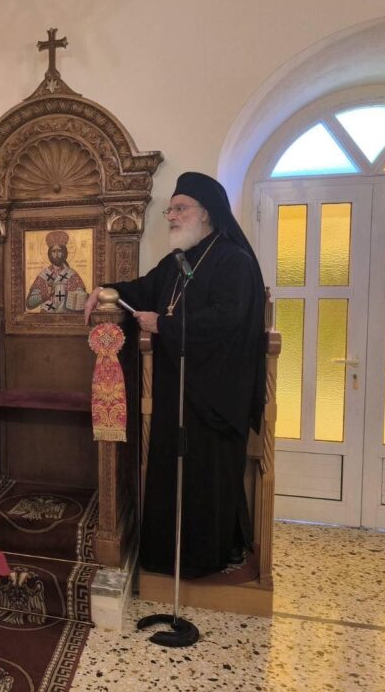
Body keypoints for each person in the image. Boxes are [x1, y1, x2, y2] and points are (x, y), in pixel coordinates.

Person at [84, 171, 266, 578]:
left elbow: (227, 320)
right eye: (170, 210)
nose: (172, 217)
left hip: (214, 395)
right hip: (176, 389)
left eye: (180, 209)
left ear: (207, 213)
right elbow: (144, 288)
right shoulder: (180, 260)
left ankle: (205, 560)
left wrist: (164, 325)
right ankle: (168, 559)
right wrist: (105, 290)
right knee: (171, 476)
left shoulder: (233, 261)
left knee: (205, 479)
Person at [26, 229, 88, 312]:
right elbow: (30, 303)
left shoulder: (72, 275)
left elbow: (82, 299)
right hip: (46, 316)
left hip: (67, 316)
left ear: (64, 253)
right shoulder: (43, 275)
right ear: (50, 254)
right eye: (54, 251)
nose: (56, 254)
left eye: (59, 251)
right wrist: (45, 294)